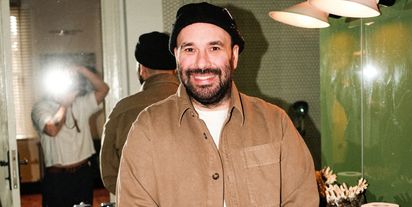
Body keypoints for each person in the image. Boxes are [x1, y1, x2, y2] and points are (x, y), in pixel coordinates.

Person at [117, 2, 319, 206]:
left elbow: (302, 199)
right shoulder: (147, 129)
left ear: (234, 55)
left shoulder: (277, 123)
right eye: (190, 49)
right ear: (177, 57)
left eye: (214, 48)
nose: (202, 63)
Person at [99, 31, 179, 195]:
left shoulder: (123, 110)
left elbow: (109, 173)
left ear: (142, 69)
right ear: (175, 67)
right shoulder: (200, 103)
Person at [31, 65, 109, 207]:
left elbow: (104, 89)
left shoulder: (80, 103)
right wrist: (65, 104)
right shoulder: (41, 108)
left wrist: (81, 69)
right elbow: (52, 130)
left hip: (83, 174)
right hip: (57, 178)